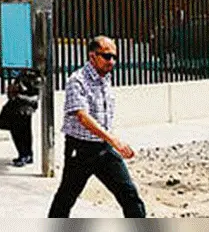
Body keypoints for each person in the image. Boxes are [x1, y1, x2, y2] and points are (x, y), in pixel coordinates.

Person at [48, 36, 146, 218]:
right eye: (107, 56)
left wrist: (109, 141)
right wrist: (114, 140)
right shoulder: (77, 80)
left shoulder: (105, 79)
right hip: (81, 149)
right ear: (92, 56)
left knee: (129, 195)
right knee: (66, 198)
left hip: (103, 148)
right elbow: (83, 117)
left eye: (115, 57)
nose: (112, 62)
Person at [4, 69, 40, 167]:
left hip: (23, 102)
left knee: (19, 129)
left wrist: (16, 89)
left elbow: (30, 86)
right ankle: (27, 154)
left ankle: (24, 154)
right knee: (25, 128)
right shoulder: (29, 70)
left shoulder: (28, 73)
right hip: (27, 102)